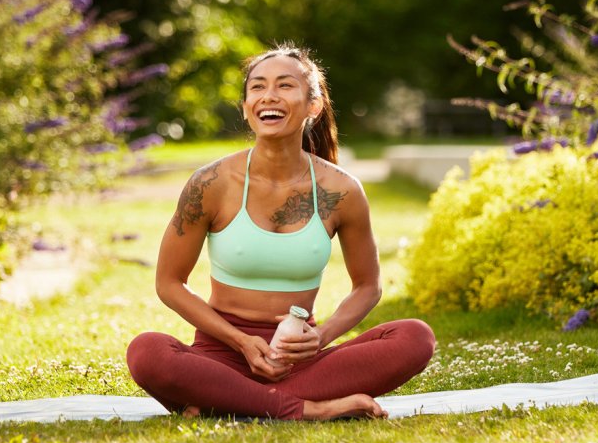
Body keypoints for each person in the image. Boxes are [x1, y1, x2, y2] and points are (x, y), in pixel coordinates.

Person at [126, 44, 435, 420]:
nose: (268, 96)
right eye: (257, 87)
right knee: (147, 351)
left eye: (285, 86)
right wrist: (241, 341)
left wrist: (319, 338)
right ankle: (304, 409)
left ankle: (230, 403)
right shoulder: (210, 183)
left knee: (415, 337)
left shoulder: (342, 191)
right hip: (221, 354)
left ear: (313, 106)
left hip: (300, 360)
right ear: (245, 106)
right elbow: (169, 283)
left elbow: (368, 286)